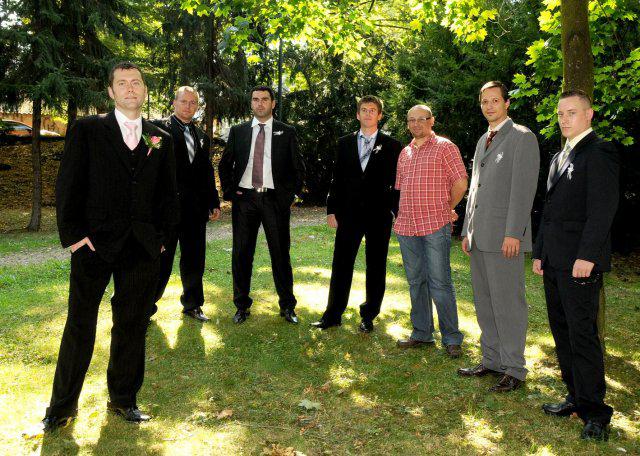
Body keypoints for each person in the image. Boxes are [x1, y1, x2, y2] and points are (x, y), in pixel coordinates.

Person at [41, 62, 178, 431]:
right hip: (93, 245)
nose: (130, 88)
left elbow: (168, 194)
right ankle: (61, 407)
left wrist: (162, 240)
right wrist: (74, 237)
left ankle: (123, 399)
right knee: (80, 324)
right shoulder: (87, 129)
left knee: (132, 325)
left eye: (136, 82)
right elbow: (67, 184)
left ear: (145, 90)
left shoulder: (160, 137)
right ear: (111, 92)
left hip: (142, 247)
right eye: (122, 83)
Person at [533, 90, 619, 441]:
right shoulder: (559, 156)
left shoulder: (599, 152)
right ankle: (575, 397)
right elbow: (549, 210)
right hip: (554, 260)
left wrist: (587, 255)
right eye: (560, 114)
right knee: (562, 331)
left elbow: (602, 209)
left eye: (571, 112)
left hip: (580, 263)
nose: (564, 119)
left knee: (582, 335)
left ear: (589, 114)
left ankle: (596, 413)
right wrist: (539, 252)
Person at [459, 81, 540, 392]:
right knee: (485, 302)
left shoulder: (522, 137)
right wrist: (467, 230)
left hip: (505, 239)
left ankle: (514, 368)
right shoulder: (484, 139)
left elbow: (523, 191)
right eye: (485, 101)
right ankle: (491, 360)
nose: (489, 106)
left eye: (495, 100)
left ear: (507, 103)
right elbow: (475, 188)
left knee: (508, 305)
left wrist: (513, 233)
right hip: (479, 237)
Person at [310, 95, 402, 333]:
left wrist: (395, 210)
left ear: (379, 115)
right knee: (341, 263)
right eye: (364, 109)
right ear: (357, 114)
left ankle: (369, 315)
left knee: (376, 266)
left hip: (379, 215)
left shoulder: (393, 145)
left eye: (372, 110)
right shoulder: (344, 143)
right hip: (348, 214)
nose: (368, 113)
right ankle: (333, 314)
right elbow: (337, 178)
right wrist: (331, 210)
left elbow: (398, 182)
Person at [218, 86, 305, 324]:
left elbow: (298, 167)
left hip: (274, 201)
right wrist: (231, 192)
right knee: (241, 254)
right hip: (245, 200)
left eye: (264, 99)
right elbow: (225, 164)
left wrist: (291, 196)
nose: (259, 103)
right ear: (251, 103)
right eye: (255, 99)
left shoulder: (287, 132)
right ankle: (241, 306)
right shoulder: (239, 131)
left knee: (280, 254)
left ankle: (287, 306)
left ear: (273, 103)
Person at [393, 105, 467, 357]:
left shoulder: (445, 147)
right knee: (416, 282)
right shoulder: (405, 153)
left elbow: (461, 183)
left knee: (440, 282)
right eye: (411, 120)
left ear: (431, 120)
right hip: (407, 226)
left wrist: (447, 208)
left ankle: (451, 337)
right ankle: (422, 332)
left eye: (421, 119)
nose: (416, 124)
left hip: (435, 225)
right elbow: (401, 189)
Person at [151, 86, 221, 322]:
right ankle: (146, 308)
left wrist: (213, 202)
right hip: (166, 211)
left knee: (194, 260)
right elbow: (148, 165)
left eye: (193, 103)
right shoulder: (156, 129)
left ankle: (193, 304)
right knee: (161, 261)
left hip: (195, 211)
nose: (188, 106)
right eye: (184, 101)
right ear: (174, 103)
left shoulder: (202, 136)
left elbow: (206, 172)